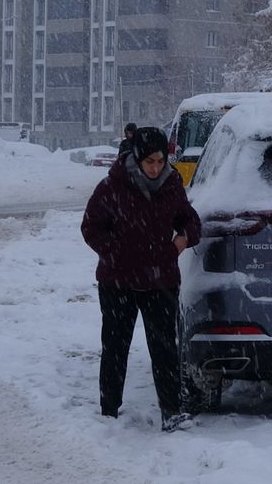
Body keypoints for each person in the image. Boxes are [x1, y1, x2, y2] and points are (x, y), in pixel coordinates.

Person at [81, 126, 202, 432]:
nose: (156, 168)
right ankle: (109, 409)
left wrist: (183, 238)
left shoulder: (172, 184)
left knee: (164, 348)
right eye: (150, 162)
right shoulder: (112, 186)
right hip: (118, 281)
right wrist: (116, 253)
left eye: (161, 161)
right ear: (137, 157)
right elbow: (91, 227)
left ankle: (172, 412)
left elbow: (189, 219)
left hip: (160, 280)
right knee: (115, 346)